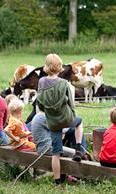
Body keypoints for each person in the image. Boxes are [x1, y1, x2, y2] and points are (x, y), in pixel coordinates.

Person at [36, 53, 84, 185]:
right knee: (79, 122)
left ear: (46, 66)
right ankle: (78, 148)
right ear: (59, 67)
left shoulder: (41, 82)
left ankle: (57, 182)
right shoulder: (64, 83)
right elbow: (71, 104)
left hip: (52, 122)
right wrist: (71, 116)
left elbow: (40, 103)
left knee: (56, 153)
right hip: (67, 118)